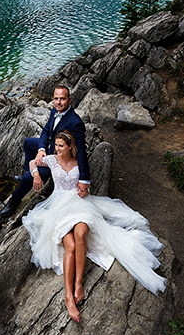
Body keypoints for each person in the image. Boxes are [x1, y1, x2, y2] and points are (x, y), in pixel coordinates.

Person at [22, 130, 166, 323]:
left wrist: (85, 188)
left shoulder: (80, 163)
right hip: (59, 207)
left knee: (81, 235)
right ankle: (68, 296)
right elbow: (33, 162)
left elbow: (85, 182)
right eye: (56, 145)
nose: (57, 149)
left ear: (70, 147)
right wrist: (36, 175)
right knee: (70, 246)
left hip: (80, 204)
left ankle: (79, 283)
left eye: (61, 146)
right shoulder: (52, 160)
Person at [0, 84, 90, 218]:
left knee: (28, 178)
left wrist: (84, 179)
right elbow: (46, 131)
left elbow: (81, 151)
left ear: (69, 100)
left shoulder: (75, 123)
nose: (58, 102)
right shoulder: (55, 111)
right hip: (49, 149)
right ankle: (29, 169)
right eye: (56, 99)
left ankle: (14, 201)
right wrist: (41, 149)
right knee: (28, 142)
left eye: (62, 99)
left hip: (60, 159)